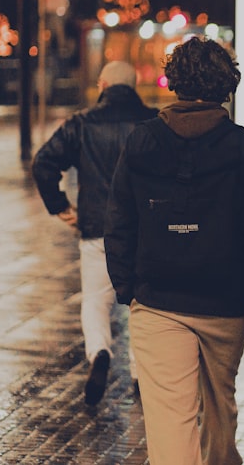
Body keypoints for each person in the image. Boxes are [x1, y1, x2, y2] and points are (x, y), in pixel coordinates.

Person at [105, 37, 244, 465]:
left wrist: (127, 287)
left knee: (170, 419)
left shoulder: (142, 142)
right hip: (224, 304)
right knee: (219, 408)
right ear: (227, 85)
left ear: (175, 82)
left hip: (158, 302)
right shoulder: (243, 148)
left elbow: (119, 220)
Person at [32, 60, 158, 405]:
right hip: (143, 230)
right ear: (133, 86)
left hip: (96, 228)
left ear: (102, 84)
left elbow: (43, 162)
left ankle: (100, 351)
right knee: (141, 303)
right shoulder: (153, 123)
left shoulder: (82, 124)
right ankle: (139, 374)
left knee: (95, 300)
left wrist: (60, 206)